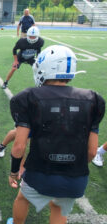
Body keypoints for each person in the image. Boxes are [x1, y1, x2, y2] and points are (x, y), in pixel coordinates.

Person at [6, 45, 105, 224]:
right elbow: (91, 152)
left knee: (22, 199)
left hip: (39, 173)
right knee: (58, 207)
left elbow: (19, 146)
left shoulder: (29, 97)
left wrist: (14, 172)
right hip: (76, 178)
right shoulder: (93, 100)